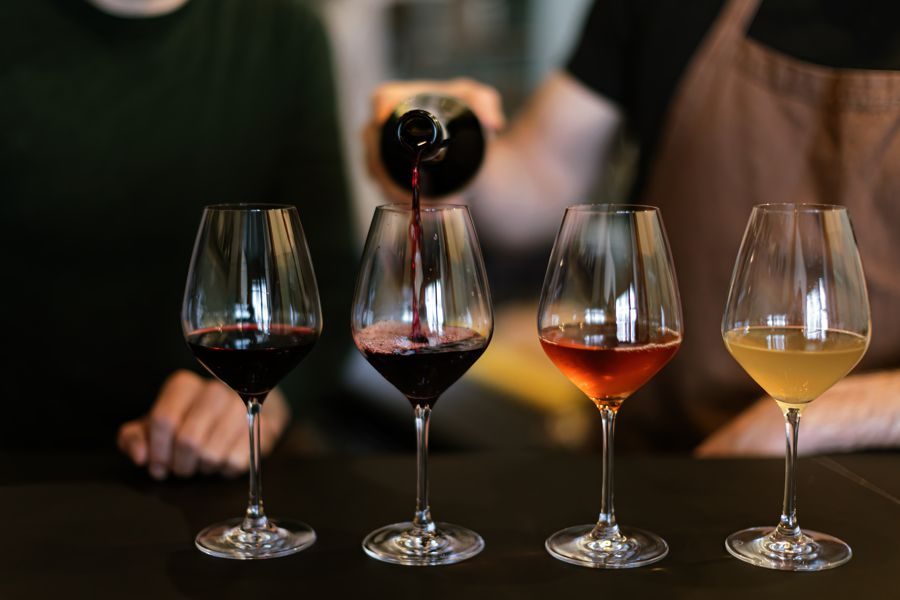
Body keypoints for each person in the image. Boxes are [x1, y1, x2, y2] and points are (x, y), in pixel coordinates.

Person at [364, 0, 900, 455]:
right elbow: (540, 174)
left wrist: (820, 420)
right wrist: (442, 149)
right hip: (659, 459)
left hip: (867, 479)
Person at [0, 0, 356, 477]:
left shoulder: (283, 34)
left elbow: (327, 281)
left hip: (230, 474)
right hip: (24, 475)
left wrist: (269, 403)